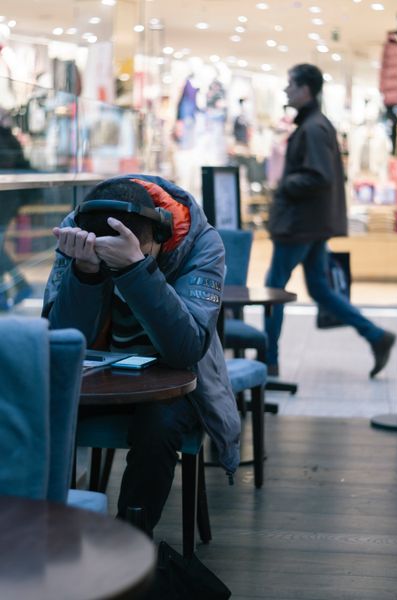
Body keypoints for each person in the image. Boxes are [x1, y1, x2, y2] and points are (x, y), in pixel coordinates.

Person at [42, 174, 241, 532]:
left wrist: (135, 269)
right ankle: (43, 532)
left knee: (158, 426)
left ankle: (128, 542)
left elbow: (186, 348)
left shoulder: (199, 242)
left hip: (175, 381)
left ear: (161, 237)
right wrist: (86, 272)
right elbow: (61, 341)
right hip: (97, 379)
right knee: (37, 405)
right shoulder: (78, 233)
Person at [264, 63, 396, 379]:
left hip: (300, 226)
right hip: (311, 224)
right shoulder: (315, 125)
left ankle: (268, 360)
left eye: (290, 85)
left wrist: (283, 184)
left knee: (273, 289)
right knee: (320, 290)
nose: (286, 91)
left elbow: (318, 176)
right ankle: (376, 336)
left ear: (305, 89)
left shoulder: (312, 128)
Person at [0, 114, 34, 310]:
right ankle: (9, 290)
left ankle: (17, 287)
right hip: (8, 201)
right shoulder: (9, 138)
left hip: (4, 201)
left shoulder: (5, 140)